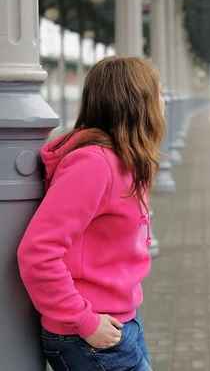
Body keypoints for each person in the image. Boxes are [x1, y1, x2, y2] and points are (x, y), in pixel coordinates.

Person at [17, 56, 166, 371]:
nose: (164, 103)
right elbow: (37, 252)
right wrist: (83, 320)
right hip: (88, 333)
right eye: (158, 93)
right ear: (138, 103)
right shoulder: (95, 165)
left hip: (121, 321)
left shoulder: (122, 159)